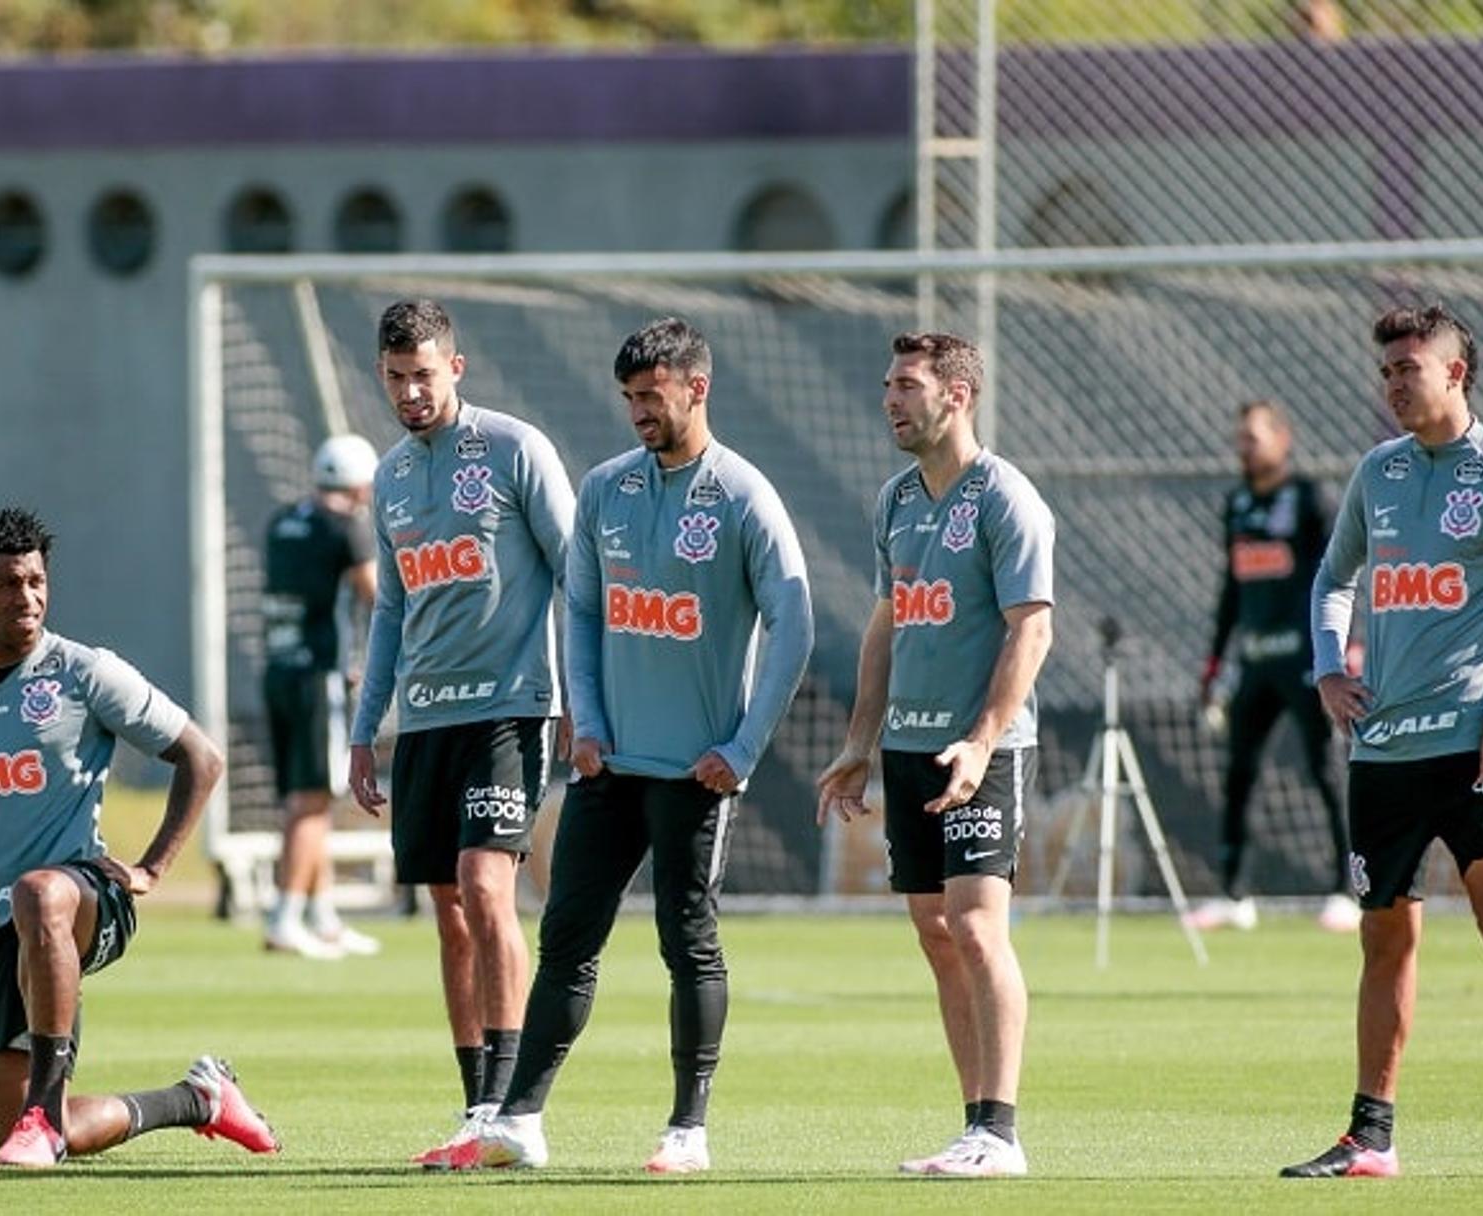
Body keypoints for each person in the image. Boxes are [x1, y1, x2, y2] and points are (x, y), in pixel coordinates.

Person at [474, 316, 812, 1176]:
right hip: (608, 765)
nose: (637, 413)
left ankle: (687, 1129)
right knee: (566, 938)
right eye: (629, 398)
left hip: (695, 773)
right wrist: (585, 722)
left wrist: (742, 748)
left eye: (651, 396)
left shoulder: (742, 495)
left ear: (697, 388)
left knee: (685, 941)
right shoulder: (605, 490)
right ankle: (520, 1118)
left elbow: (794, 621)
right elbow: (580, 610)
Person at [1285, 304, 1483, 1180]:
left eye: (1407, 369)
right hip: (1383, 753)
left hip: (1475, 751)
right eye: (1386, 372)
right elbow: (1331, 581)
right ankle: (1371, 1138)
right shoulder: (1376, 474)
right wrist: (1327, 670)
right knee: (1385, 942)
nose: (1392, 385)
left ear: (1455, 373)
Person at [0, 507, 279, 1167]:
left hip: (82, 898)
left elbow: (202, 757)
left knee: (40, 893)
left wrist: (153, 867)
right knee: (39, 1137)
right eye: (11, 584)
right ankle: (198, 1099)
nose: (29, 597)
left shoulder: (85, 672)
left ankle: (41, 1116)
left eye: (38, 581)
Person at [816, 331, 1055, 1178]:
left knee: (978, 925)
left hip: (978, 752)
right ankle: (973, 1129)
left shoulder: (1006, 500)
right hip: (911, 749)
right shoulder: (896, 501)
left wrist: (982, 740)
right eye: (888, 384)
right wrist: (859, 743)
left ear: (956, 395)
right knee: (934, 928)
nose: (890, 399)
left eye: (907, 385)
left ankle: (1002, 1131)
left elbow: (1033, 627)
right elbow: (888, 621)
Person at [346, 299, 576, 1170]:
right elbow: (393, 611)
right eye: (397, 377)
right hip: (428, 721)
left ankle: (520, 1110)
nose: (412, 391)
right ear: (382, 376)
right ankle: (479, 1105)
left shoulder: (515, 450)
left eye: (425, 374)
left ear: (458, 367)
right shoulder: (393, 478)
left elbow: (573, 573)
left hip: (509, 708)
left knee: (488, 888)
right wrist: (368, 732)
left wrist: (576, 700)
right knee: (447, 911)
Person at [1191, 400, 1358, 934]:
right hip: (1255, 659)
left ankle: (1346, 889)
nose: (1245, 448)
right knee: (1240, 773)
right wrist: (1216, 660)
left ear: (1282, 440)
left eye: (1254, 438)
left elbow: (1340, 576)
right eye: (1240, 439)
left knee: (1324, 769)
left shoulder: (1311, 499)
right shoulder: (1238, 503)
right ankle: (1234, 894)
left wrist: (1345, 645)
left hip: (1306, 660)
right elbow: (1231, 589)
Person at [261, 433, 382, 959]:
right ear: (362, 484)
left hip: (279, 671)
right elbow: (376, 596)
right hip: (319, 677)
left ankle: (322, 915)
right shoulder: (346, 528)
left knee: (313, 798)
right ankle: (285, 916)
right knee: (310, 802)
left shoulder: (282, 521)